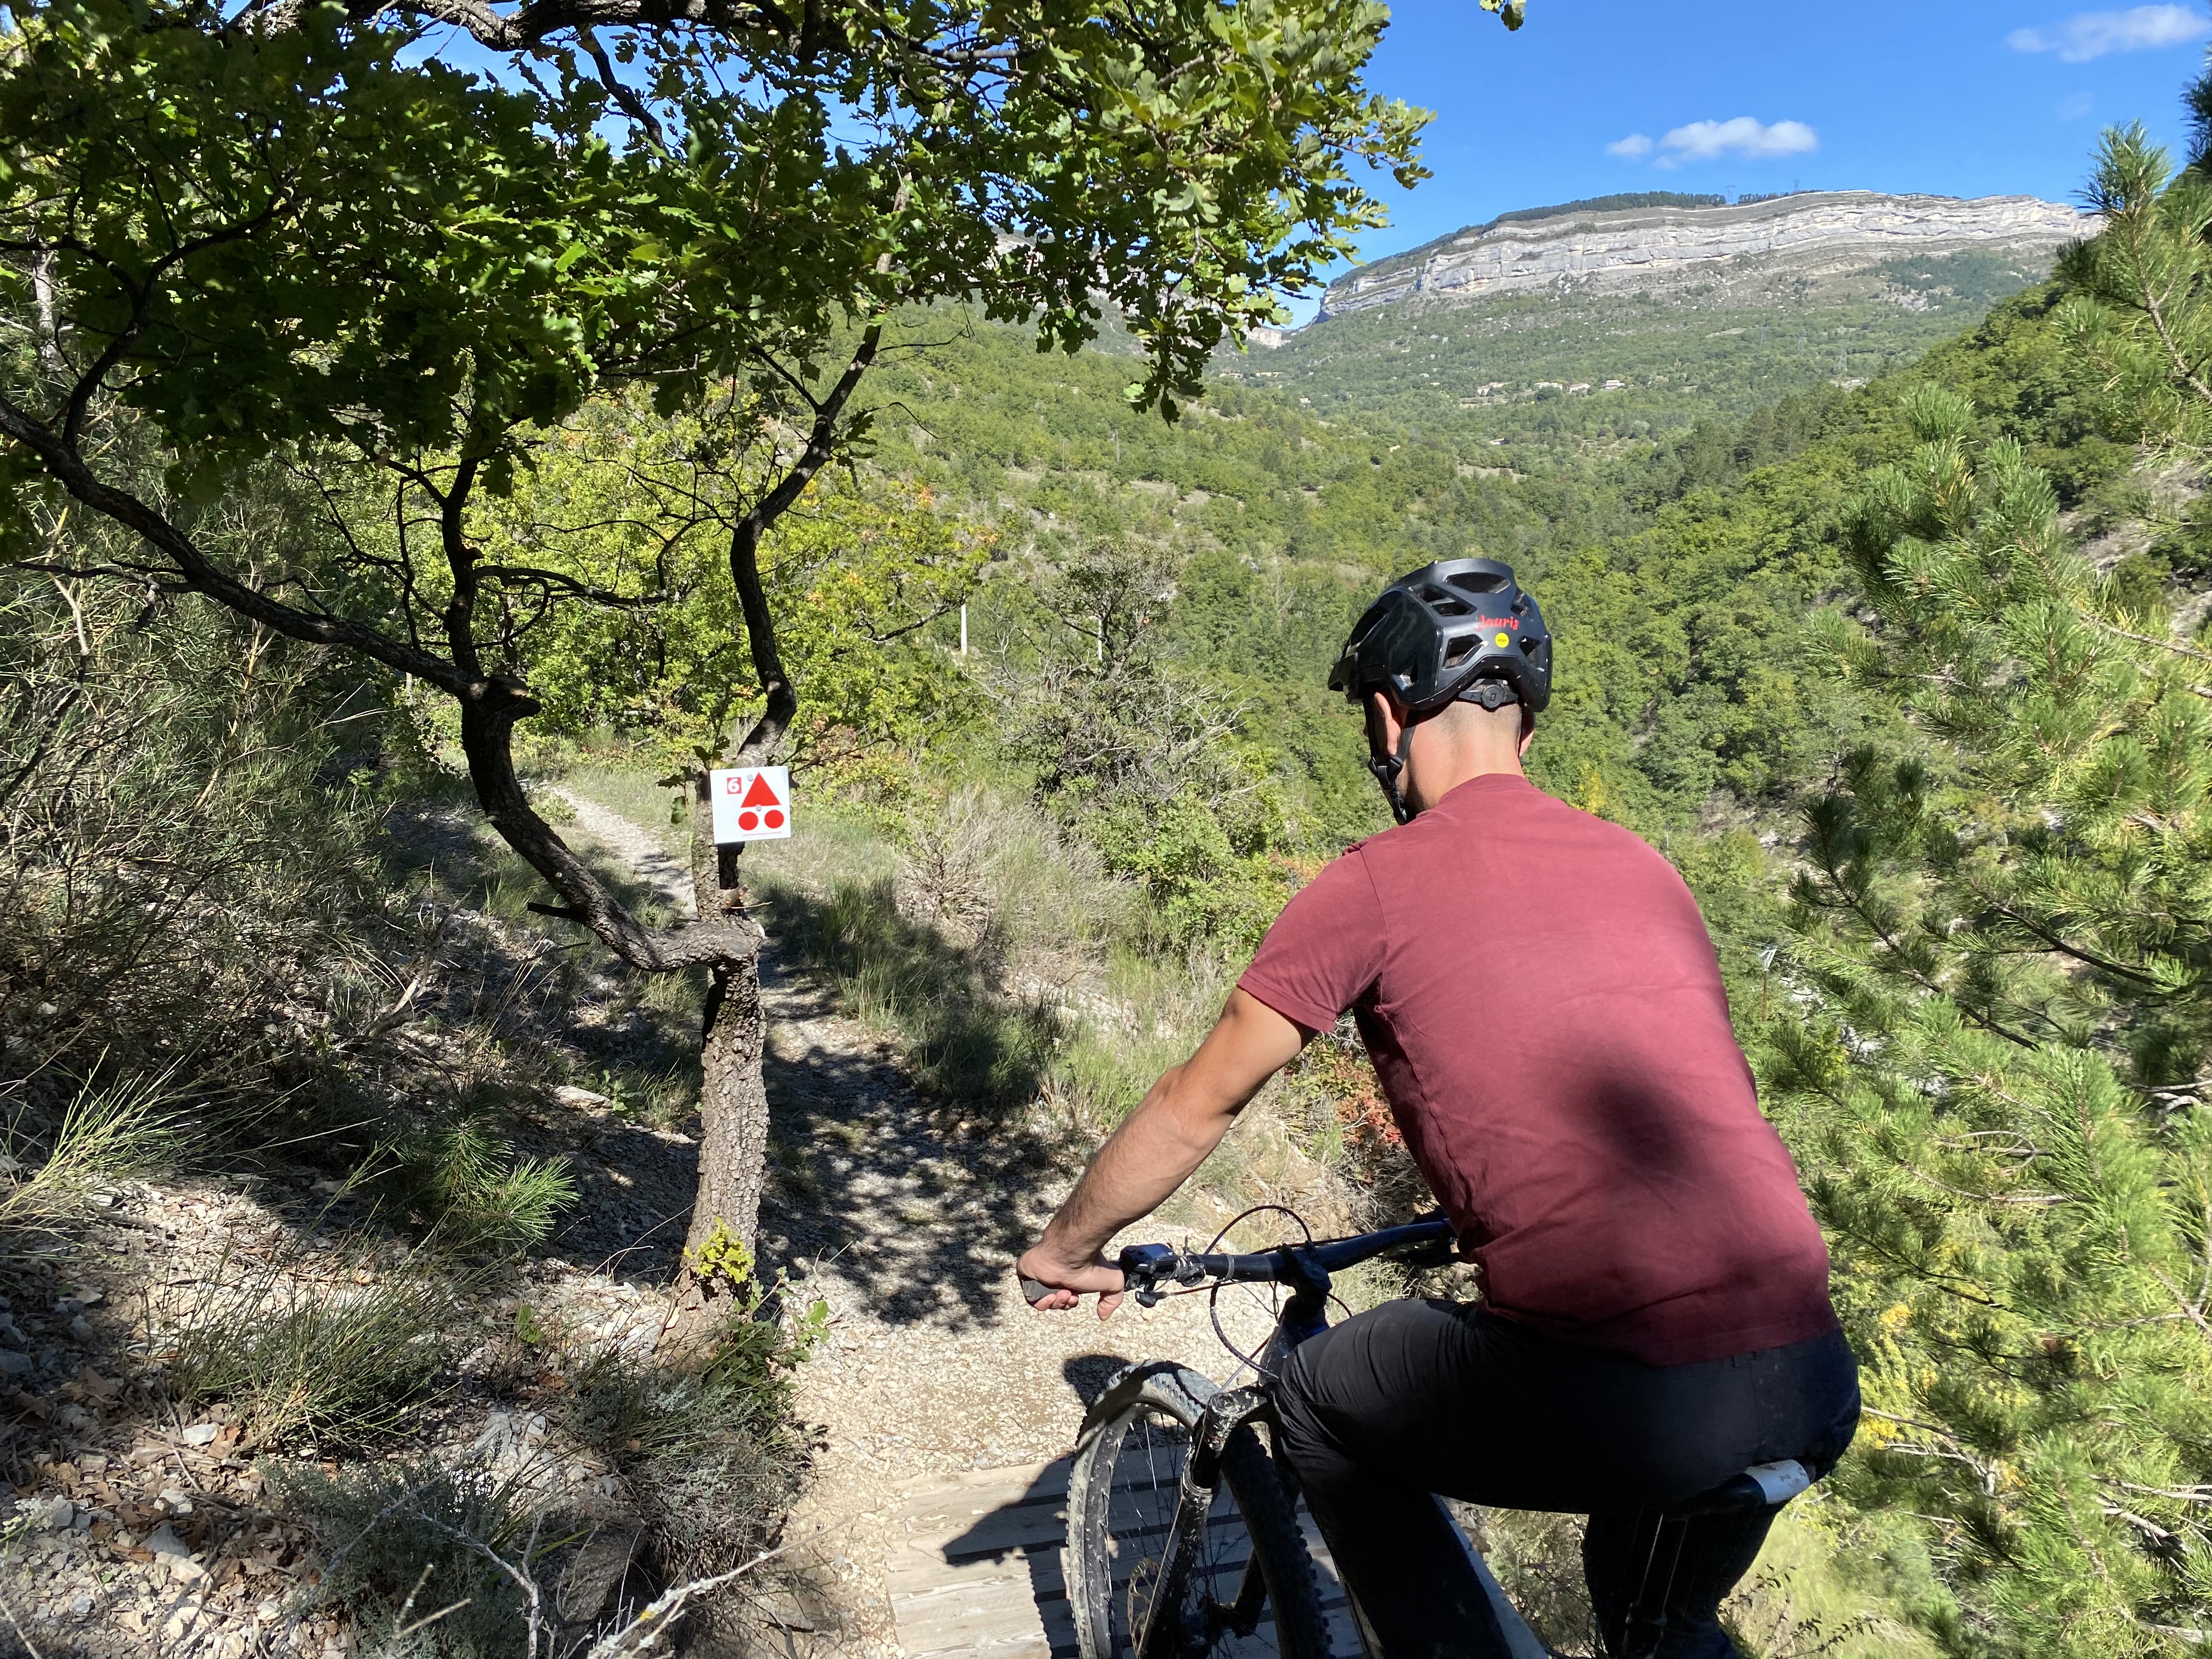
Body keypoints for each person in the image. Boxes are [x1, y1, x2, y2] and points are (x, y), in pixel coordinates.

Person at [1014, 558, 1859, 1659]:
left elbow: (1196, 1101)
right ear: (1527, 718)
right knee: (1653, 1609)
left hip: (1627, 1391)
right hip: (1810, 1373)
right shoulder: (1647, 866)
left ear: (1386, 713)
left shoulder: (1372, 884)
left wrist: (1068, 1245)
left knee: (1314, 1399)